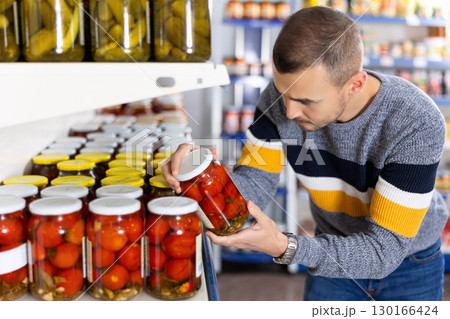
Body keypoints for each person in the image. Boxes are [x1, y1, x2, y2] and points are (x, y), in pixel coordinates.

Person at [162, 6, 448, 301]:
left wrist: (287, 247)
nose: (288, 111)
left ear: (355, 84)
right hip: (331, 256)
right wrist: (204, 173)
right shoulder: (276, 100)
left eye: (305, 101)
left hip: (409, 265)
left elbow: (382, 251)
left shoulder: (415, 122)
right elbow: (255, 183)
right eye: (283, 93)